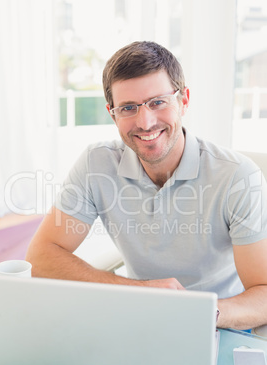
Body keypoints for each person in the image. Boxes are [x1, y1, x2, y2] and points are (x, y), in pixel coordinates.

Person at [26, 41, 267, 330]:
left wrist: (200, 312)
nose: (145, 121)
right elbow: (40, 257)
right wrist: (139, 292)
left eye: (158, 102)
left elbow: (263, 292)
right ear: (112, 113)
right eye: (128, 108)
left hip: (216, 326)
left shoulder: (238, 176)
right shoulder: (96, 164)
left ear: (184, 101)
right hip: (138, 319)